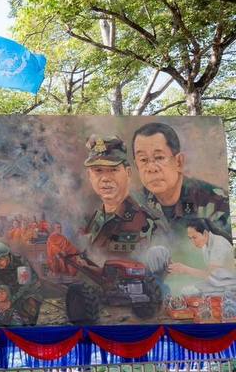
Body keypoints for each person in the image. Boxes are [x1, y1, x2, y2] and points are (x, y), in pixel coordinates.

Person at [79, 135, 168, 271]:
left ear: (128, 173)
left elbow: (159, 274)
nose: (105, 178)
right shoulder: (93, 220)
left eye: (113, 170)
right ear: (89, 176)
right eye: (98, 170)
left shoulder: (149, 223)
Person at [132, 121, 230, 240]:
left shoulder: (215, 201)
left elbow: (224, 248)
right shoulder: (134, 203)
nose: (151, 168)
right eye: (143, 160)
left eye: (159, 157)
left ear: (179, 162)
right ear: (136, 165)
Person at [168, 216, 236, 287]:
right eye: (190, 238)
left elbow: (211, 275)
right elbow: (208, 272)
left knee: (189, 289)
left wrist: (184, 269)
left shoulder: (219, 244)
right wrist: (176, 267)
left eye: (194, 237)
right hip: (221, 282)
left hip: (230, 284)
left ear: (205, 234)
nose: (192, 242)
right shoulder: (205, 244)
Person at [0, 240, 41, 325]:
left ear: (7, 256)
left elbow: (24, 287)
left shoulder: (21, 263)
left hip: (29, 292)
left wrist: (10, 302)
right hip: (13, 290)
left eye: (0, 260)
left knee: (28, 311)